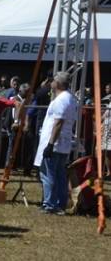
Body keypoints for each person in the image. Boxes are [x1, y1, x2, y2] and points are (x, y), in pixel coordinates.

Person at [35, 72, 80, 215]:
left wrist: (50, 144)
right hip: (63, 143)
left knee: (48, 174)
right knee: (60, 174)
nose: (51, 83)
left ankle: (49, 204)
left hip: (55, 142)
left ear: (58, 83)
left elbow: (58, 122)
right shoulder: (70, 98)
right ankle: (60, 203)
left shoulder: (62, 99)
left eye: (53, 80)